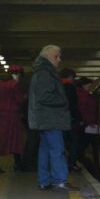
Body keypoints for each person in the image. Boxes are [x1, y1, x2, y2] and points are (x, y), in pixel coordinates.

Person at [28, 44, 76, 191]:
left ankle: (44, 181)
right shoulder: (45, 73)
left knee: (45, 150)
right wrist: (64, 101)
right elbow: (45, 97)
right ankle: (59, 180)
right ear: (48, 56)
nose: (59, 60)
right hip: (50, 119)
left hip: (44, 119)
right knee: (57, 150)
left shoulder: (41, 71)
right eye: (57, 56)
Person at [0, 65, 27, 172]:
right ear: (18, 73)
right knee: (15, 139)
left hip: (1, 115)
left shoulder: (0, 84)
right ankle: (18, 164)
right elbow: (19, 100)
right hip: (13, 115)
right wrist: (25, 97)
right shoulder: (15, 84)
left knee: (0, 139)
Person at [60, 68, 81, 172]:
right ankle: (71, 165)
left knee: (62, 143)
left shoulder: (57, 86)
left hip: (58, 120)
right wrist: (78, 118)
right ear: (70, 77)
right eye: (73, 77)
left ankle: (63, 164)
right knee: (73, 143)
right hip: (69, 120)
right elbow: (73, 105)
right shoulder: (70, 87)